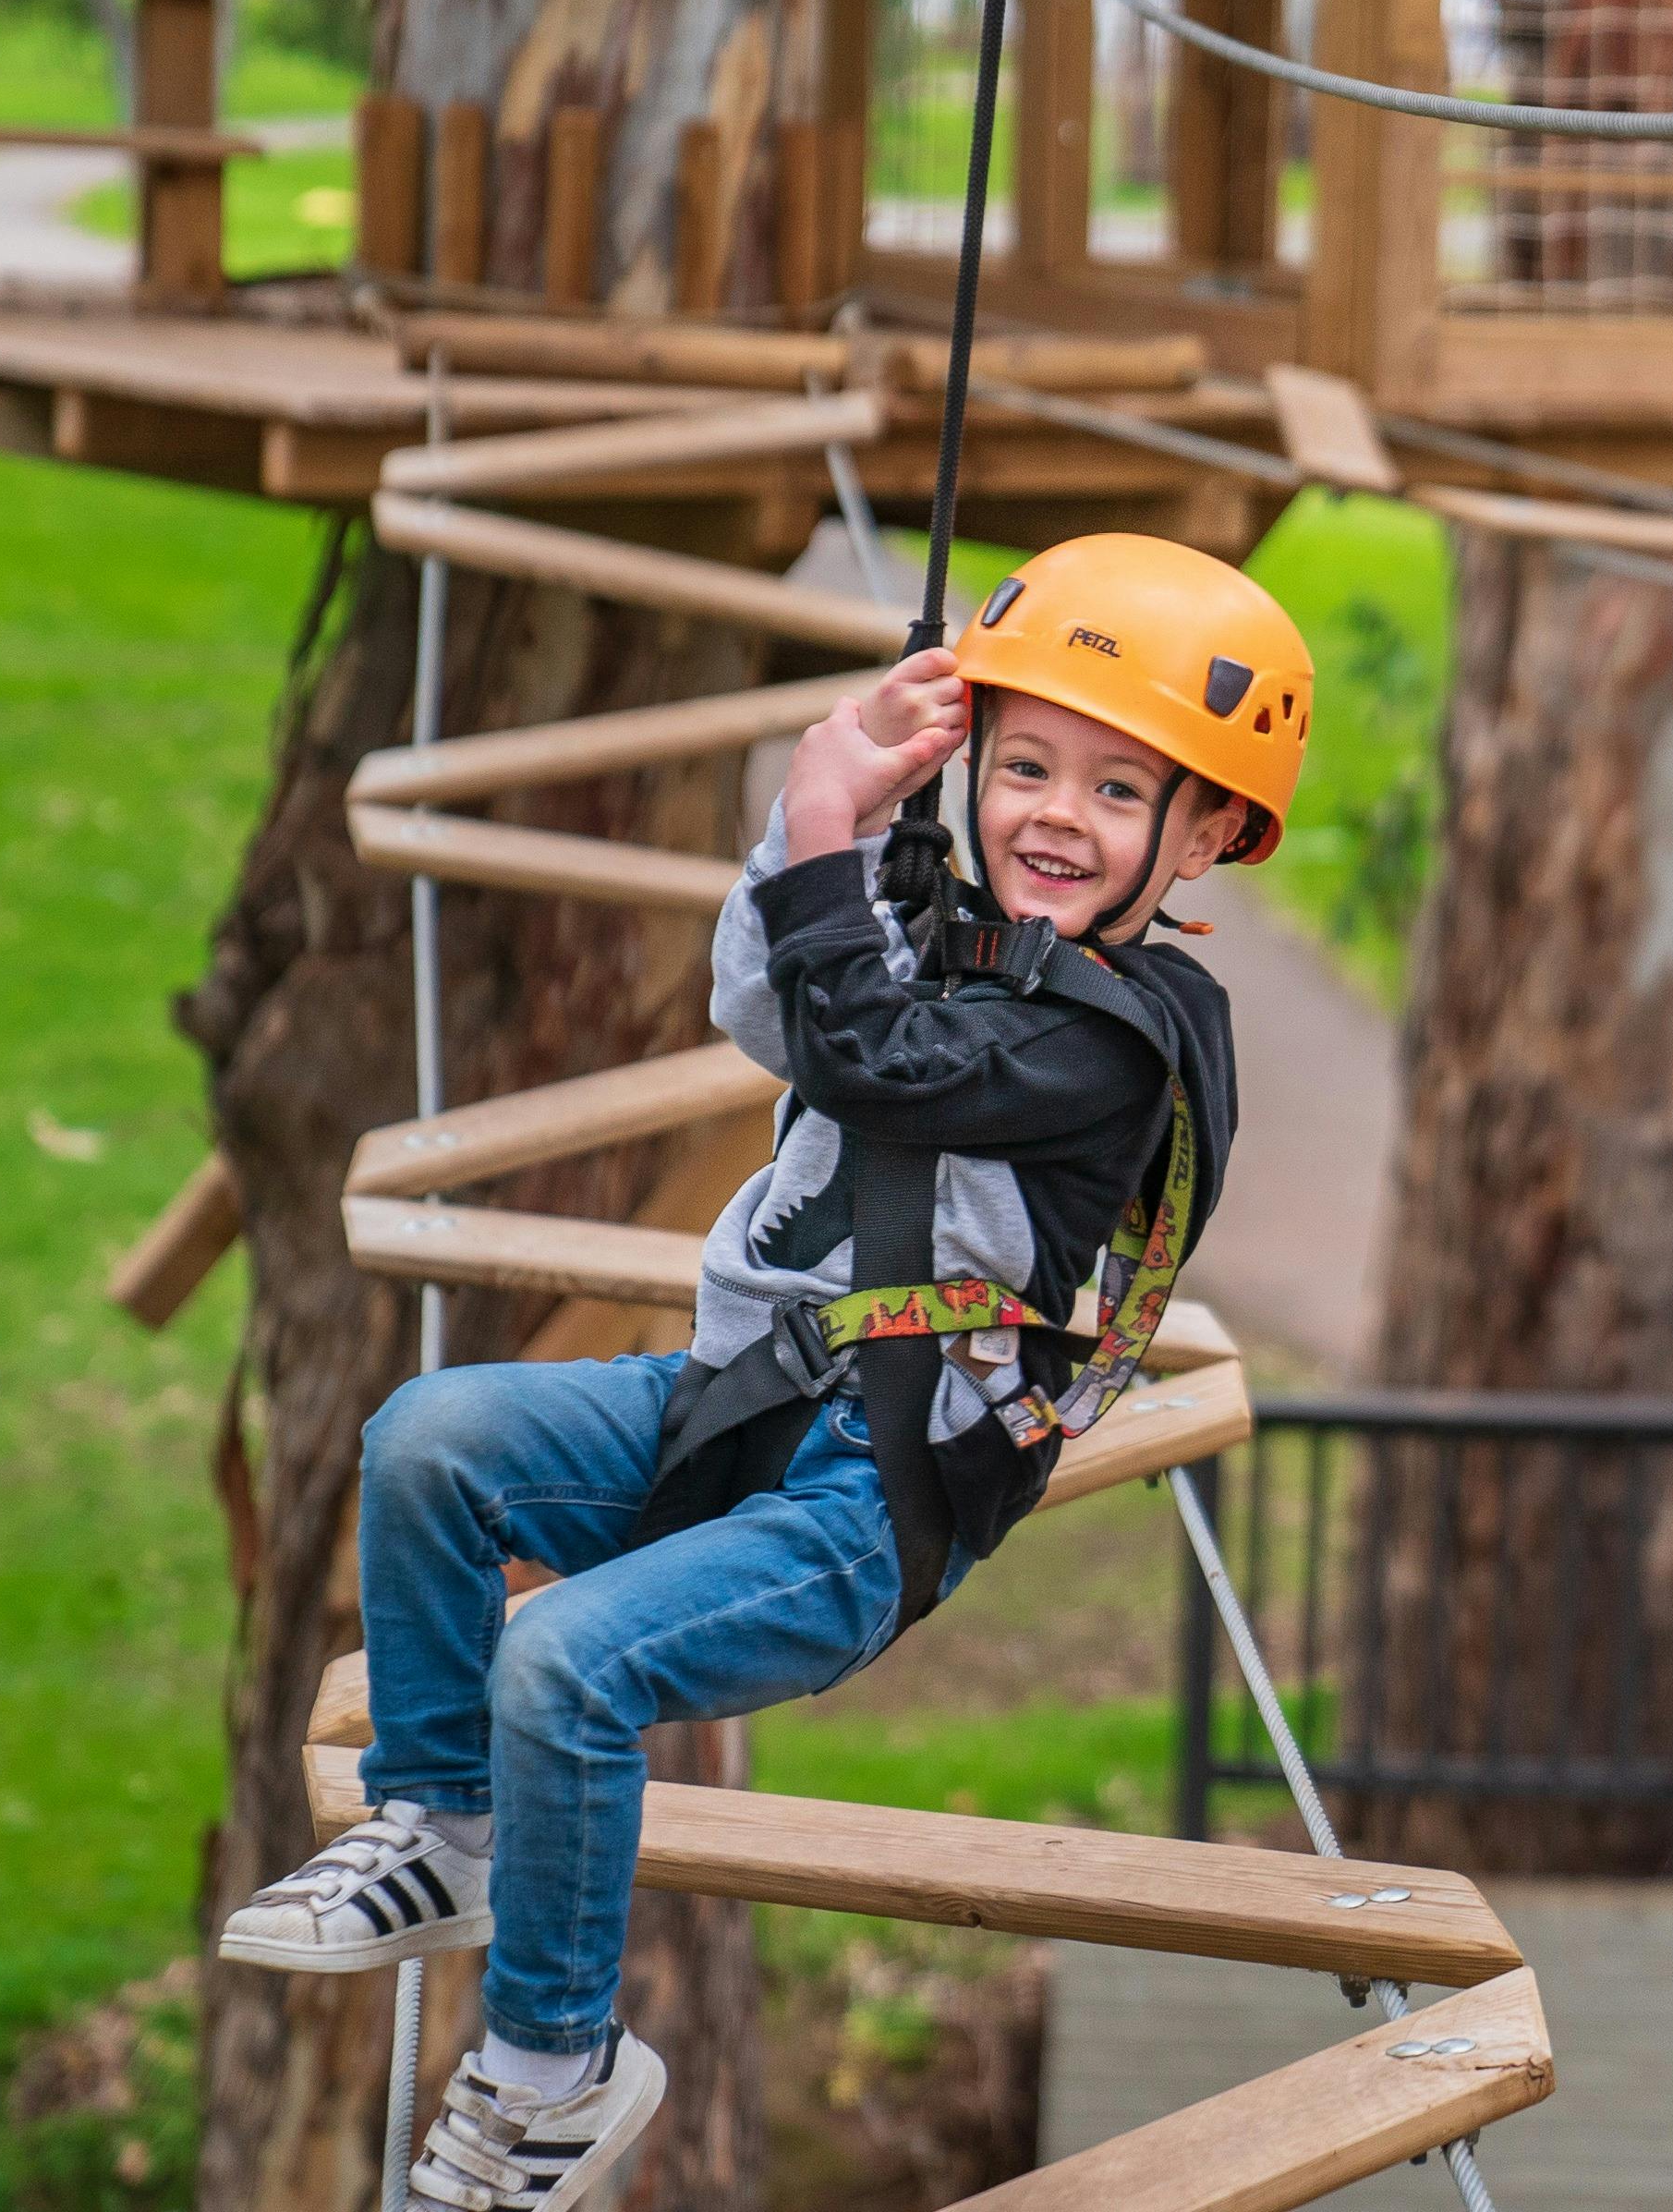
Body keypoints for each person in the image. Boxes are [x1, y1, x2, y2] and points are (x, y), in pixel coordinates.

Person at [213, 533, 1311, 2212]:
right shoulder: (960, 940)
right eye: (1022, 764)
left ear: (1212, 830)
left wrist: (819, 839)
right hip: (737, 1406)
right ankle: (442, 1827)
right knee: (431, 1439)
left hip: (867, 1501)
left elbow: (877, 1052)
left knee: (570, 1667)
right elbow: (770, 1005)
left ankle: (556, 2072)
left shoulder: (1113, 1040)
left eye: (1114, 789)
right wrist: (852, 825)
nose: (1052, 814)